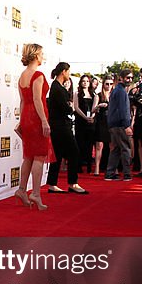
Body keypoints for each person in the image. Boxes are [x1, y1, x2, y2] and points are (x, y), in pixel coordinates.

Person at [15, 43, 54, 209]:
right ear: (36, 55)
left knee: (29, 156)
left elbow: (23, 101)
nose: (43, 56)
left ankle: (22, 190)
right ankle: (36, 194)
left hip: (27, 117)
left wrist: (21, 121)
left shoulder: (22, 75)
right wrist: (44, 121)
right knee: (39, 156)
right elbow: (37, 100)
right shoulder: (37, 75)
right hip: (37, 118)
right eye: (42, 53)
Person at [46, 63, 87, 194]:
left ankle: (52, 184)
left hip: (59, 126)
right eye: (68, 72)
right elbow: (65, 108)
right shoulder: (57, 88)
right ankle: (73, 183)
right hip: (61, 127)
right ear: (63, 71)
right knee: (74, 153)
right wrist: (70, 107)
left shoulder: (57, 87)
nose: (69, 75)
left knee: (57, 155)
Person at [105, 69, 134, 181]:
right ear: (121, 78)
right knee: (125, 148)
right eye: (127, 77)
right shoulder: (121, 91)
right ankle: (127, 174)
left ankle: (110, 173)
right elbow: (123, 109)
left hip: (113, 124)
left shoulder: (116, 90)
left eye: (131, 78)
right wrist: (126, 125)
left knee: (116, 149)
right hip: (120, 124)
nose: (130, 80)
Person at [73, 74, 96, 174]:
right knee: (79, 143)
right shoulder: (77, 93)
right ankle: (78, 166)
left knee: (89, 145)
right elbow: (76, 107)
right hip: (80, 121)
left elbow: (95, 108)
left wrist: (92, 117)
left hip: (90, 123)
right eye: (83, 81)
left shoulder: (94, 94)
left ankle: (89, 166)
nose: (85, 83)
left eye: (87, 81)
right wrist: (85, 117)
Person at [92, 75, 113, 175]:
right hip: (101, 122)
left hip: (111, 122)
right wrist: (99, 105)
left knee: (112, 146)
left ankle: (112, 168)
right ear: (103, 84)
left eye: (111, 84)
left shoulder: (114, 95)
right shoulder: (98, 95)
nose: (109, 86)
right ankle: (97, 168)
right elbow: (93, 109)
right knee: (99, 146)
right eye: (107, 84)